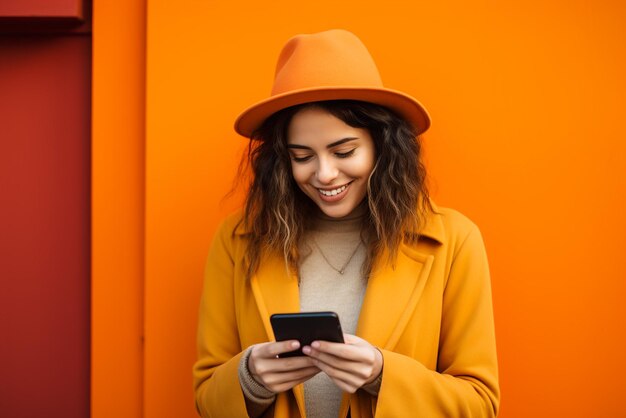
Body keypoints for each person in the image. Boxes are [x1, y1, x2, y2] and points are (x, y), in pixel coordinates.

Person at [193, 29, 499, 418]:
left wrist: (382, 374)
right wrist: (250, 378)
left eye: (344, 151)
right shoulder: (237, 241)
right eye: (302, 156)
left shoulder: (453, 240)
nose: (324, 174)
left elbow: (480, 403)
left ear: (382, 146)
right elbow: (206, 397)